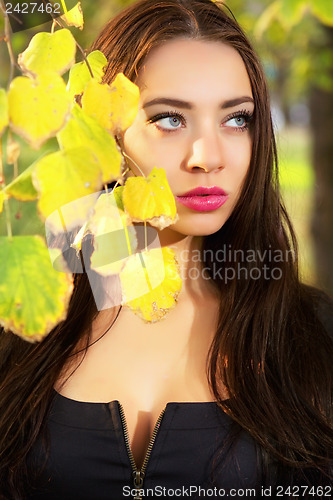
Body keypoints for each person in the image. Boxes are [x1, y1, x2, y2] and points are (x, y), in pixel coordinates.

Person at [0, 0, 332, 498]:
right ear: (105, 130)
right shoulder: (24, 309)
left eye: (237, 119)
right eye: (170, 119)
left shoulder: (312, 331)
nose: (208, 157)